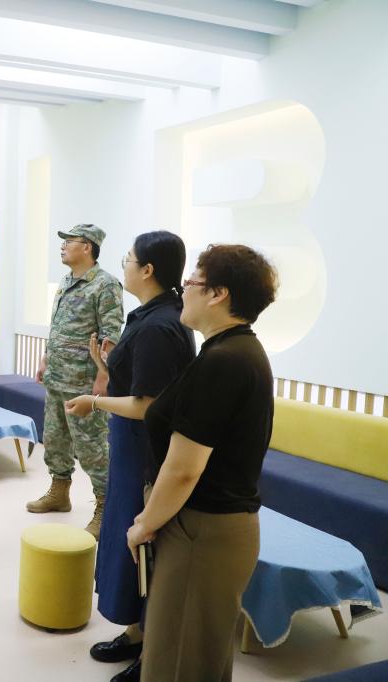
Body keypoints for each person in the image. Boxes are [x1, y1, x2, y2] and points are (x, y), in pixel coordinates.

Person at [129, 244, 278, 681]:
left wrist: (144, 523)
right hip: (204, 529)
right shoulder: (230, 351)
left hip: (203, 534)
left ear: (218, 294)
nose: (185, 290)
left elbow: (184, 469)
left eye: (192, 281)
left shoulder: (225, 361)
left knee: (179, 661)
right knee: (191, 656)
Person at [65, 231, 196, 682]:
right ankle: (137, 631)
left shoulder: (161, 325)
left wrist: (94, 400)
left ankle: (152, 653)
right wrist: (107, 367)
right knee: (128, 541)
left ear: (148, 270)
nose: (124, 266)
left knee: (146, 547)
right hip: (129, 448)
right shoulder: (150, 315)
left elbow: (148, 405)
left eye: (128, 259)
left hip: (146, 452)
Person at [27, 224, 123, 539]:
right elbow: (57, 327)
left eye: (70, 241)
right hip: (57, 377)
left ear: (87, 247)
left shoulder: (105, 284)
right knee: (55, 440)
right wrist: (45, 359)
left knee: (92, 447)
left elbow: (110, 335)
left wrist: (104, 375)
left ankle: (105, 507)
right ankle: (59, 492)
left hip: (84, 382)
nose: (63, 246)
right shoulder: (66, 281)